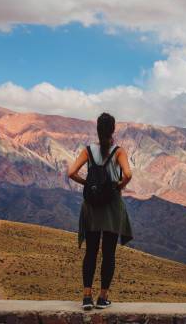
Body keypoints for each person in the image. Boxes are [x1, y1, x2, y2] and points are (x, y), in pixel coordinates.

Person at [68, 112, 133, 310]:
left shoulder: (88, 151)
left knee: (91, 252)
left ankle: (86, 297)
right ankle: (102, 297)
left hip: (92, 207)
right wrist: (118, 187)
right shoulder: (119, 151)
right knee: (109, 254)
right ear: (113, 130)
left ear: (97, 130)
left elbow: (71, 173)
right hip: (112, 207)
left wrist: (87, 183)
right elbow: (128, 174)